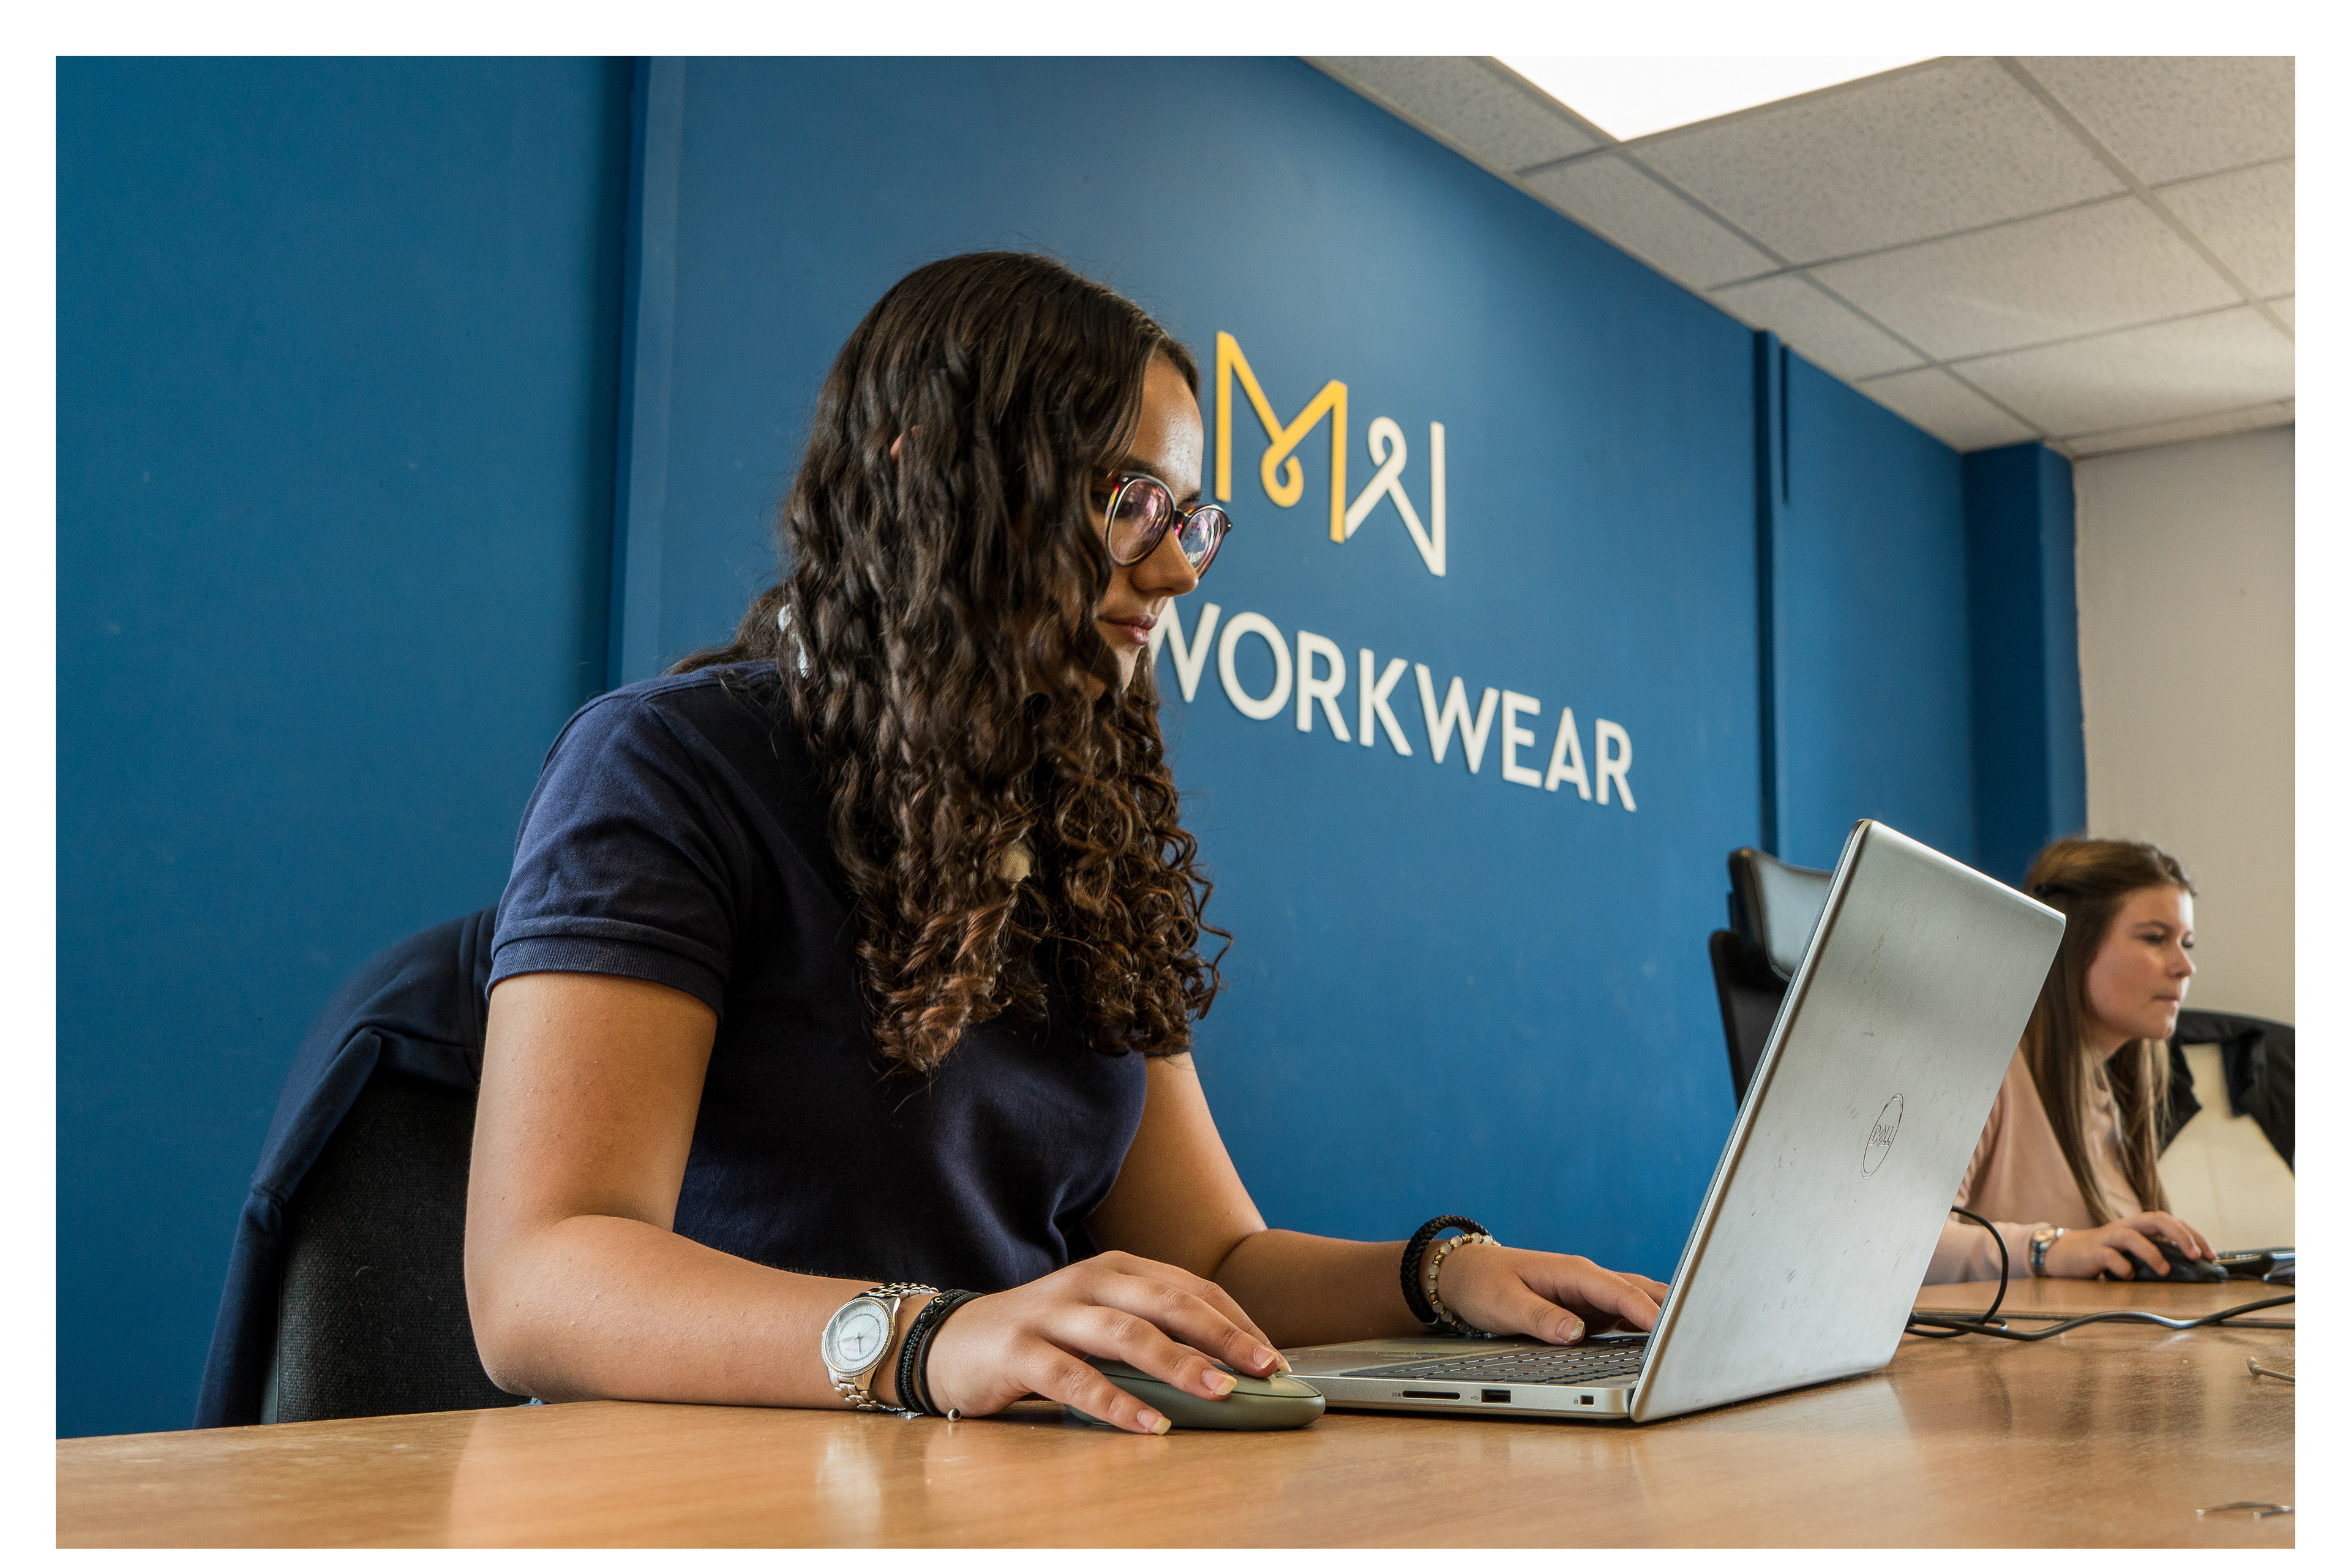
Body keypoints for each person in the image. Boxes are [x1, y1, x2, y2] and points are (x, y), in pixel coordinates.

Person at [464, 252, 1668, 1433]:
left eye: (1188, 519)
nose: (1176, 569)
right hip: (732, 1484)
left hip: (997, 1472)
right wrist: (929, 1338)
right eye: (1125, 501)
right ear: (924, 478)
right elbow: (538, 1278)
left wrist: (1441, 1274)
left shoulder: (1071, 828)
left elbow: (1211, 1259)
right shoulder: (672, 765)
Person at [1924, 838, 2218, 1283]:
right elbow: (1899, 1245)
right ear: (2073, 945)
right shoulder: (1982, 1068)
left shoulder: (2110, 1097)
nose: (2184, 966)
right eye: (2155, 938)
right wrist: (2049, 1248)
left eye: (2187, 943)